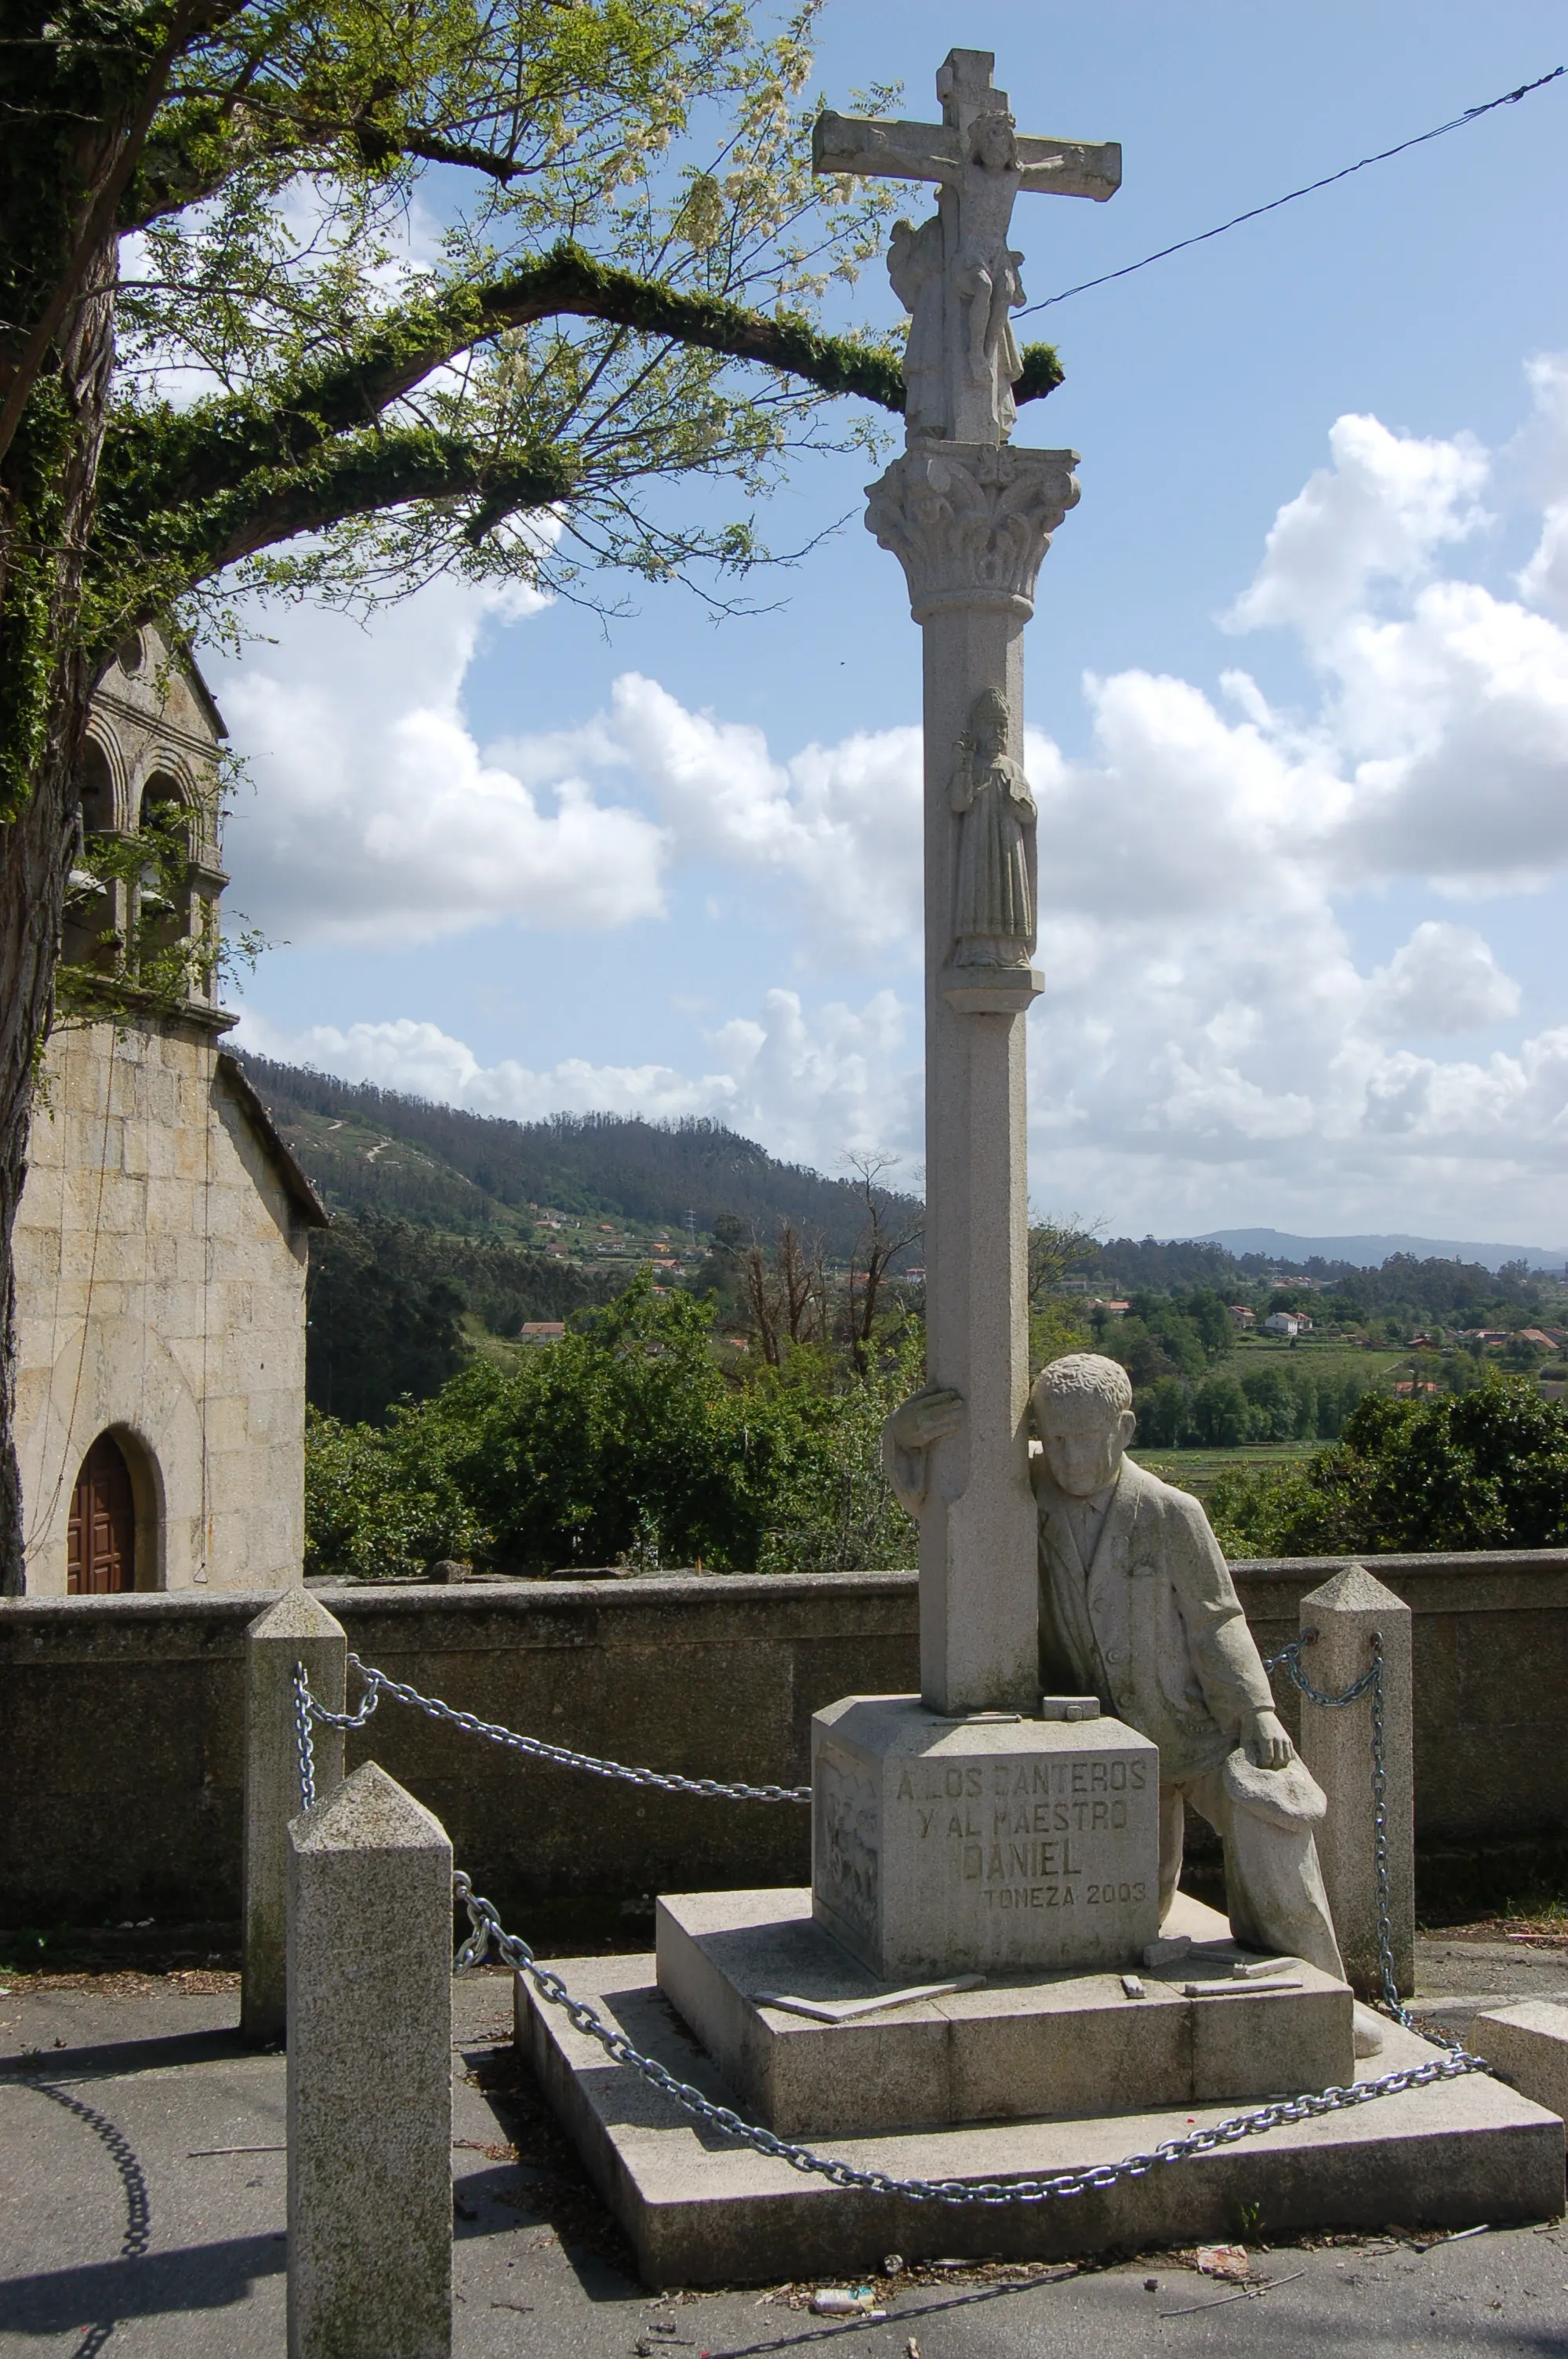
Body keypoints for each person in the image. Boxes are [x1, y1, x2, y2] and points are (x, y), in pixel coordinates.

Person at [1031, 1350, 1346, 1979]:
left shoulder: (1172, 1513)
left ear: (1123, 1430)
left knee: (1272, 1816)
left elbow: (1217, 1620)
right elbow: (940, 1498)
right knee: (1133, 1907)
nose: (1069, 1461)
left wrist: (1256, 1711)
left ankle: (1311, 1976)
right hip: (1102, 1739)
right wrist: (902, 1436)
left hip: (1193, 1726)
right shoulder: (1025, 1493)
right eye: (1055, 1442)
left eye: (1085, 1442)